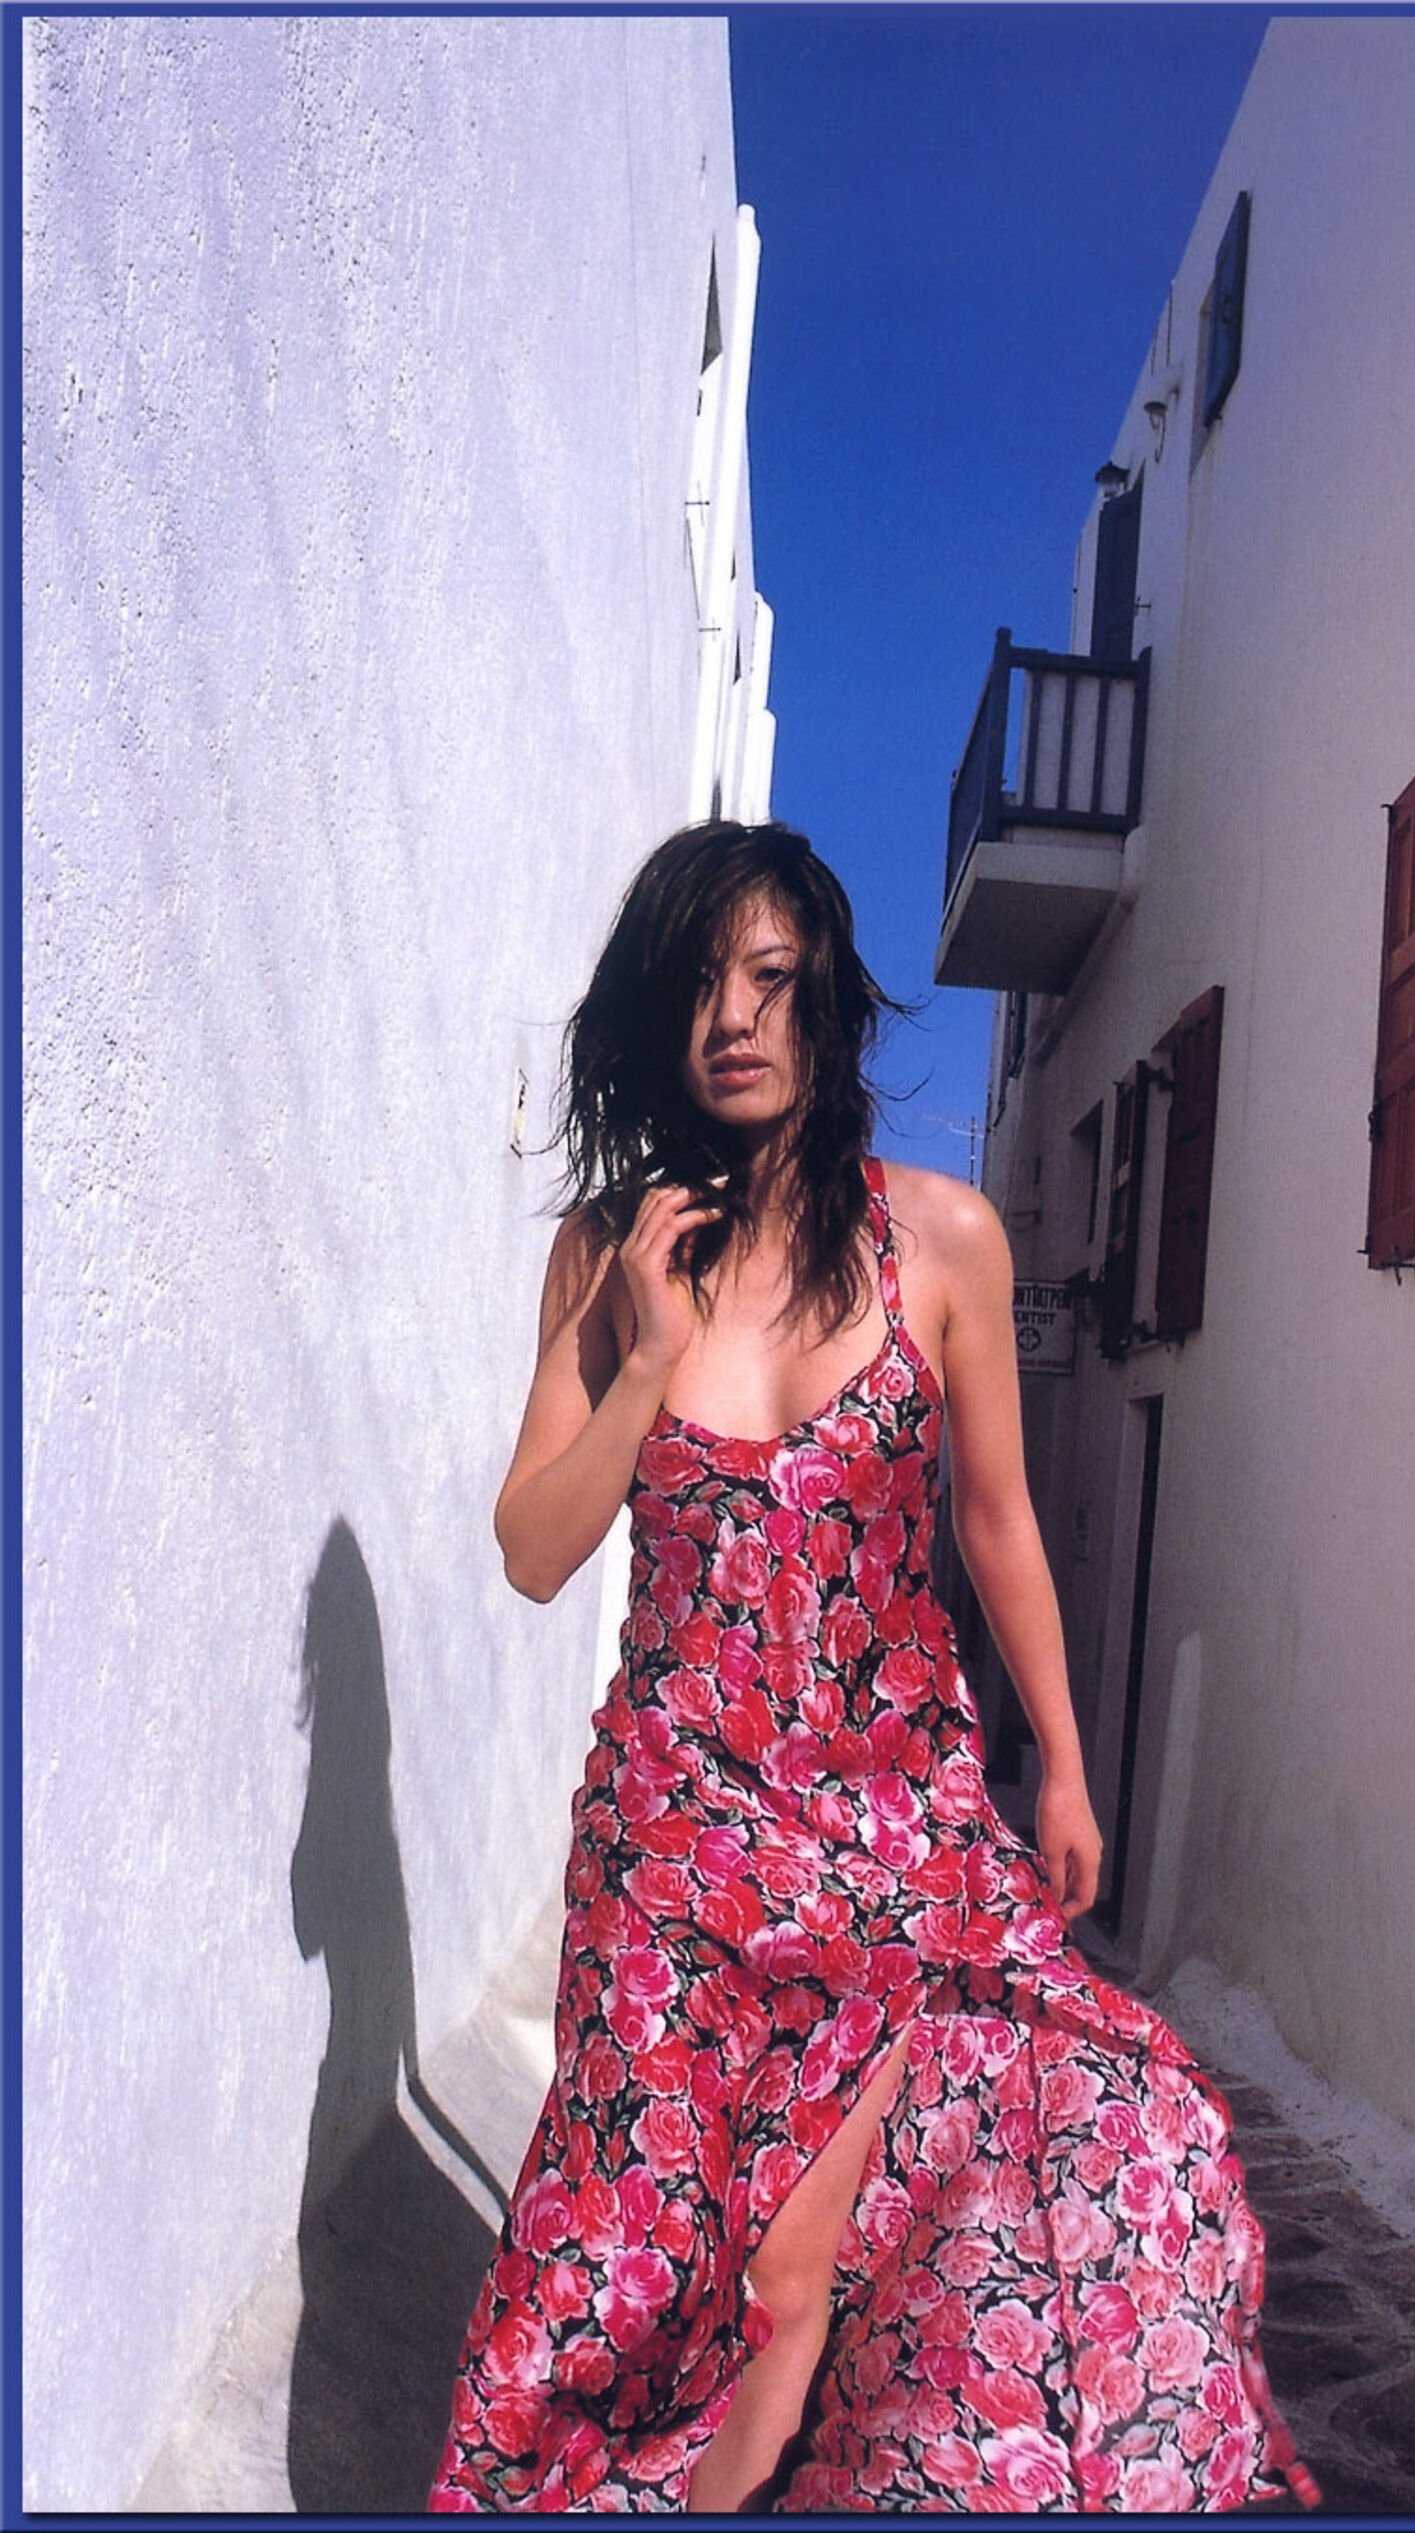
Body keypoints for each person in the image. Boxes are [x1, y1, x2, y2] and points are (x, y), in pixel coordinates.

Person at [427, 820, 1320, 2515]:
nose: (735, 1018)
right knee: (631, 2276)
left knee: (810, 2267)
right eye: (702, 983)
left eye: (772, 978)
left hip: (893, 1839)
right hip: (674, 1852)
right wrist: (646, 1360)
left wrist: (1063, 1761)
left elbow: (996, 1518)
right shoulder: (609, 1254)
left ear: (828, 1000)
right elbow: (535, 1547)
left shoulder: (943, 1238)